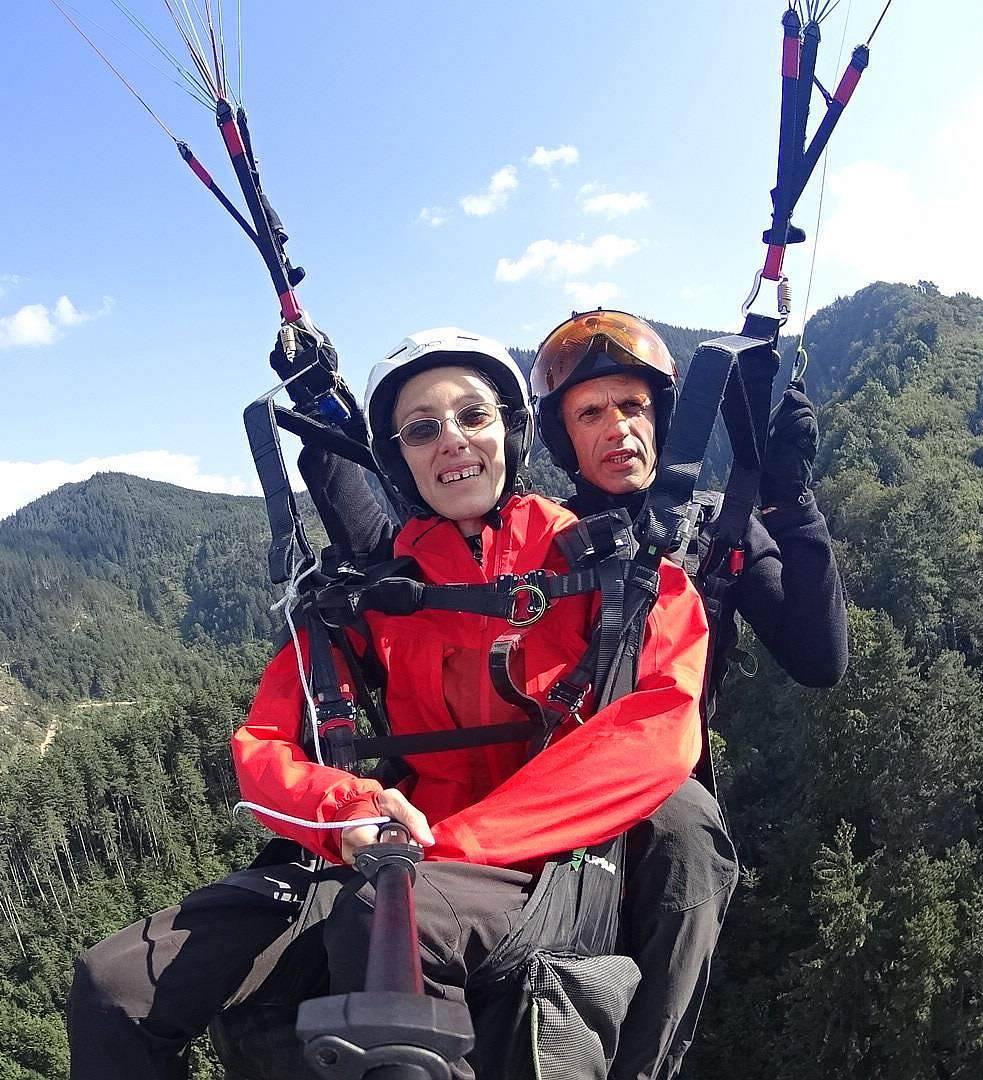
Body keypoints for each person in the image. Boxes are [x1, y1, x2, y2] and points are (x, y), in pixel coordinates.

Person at [66, 328, 712, 1080]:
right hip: (386, 852)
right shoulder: (374, 594)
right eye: (422, 429)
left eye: (473, 416)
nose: (452, 440)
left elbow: (658, 734)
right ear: (399, 458)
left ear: (510, 430)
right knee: (112, 988)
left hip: (549, 862)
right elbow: (266, 740)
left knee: (386, 921)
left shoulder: (621, 570)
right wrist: (343, 809)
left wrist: (449, 845)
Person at [529, 308, 848, 1079]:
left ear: (662, 417)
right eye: (590, 413)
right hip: (551, 793)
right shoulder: (539, 538)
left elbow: (819, 658)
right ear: (564, 438)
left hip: (668, 800)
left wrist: (790, 501)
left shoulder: (716, 528)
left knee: (689, 856)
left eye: (633, 406)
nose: (618, 427)